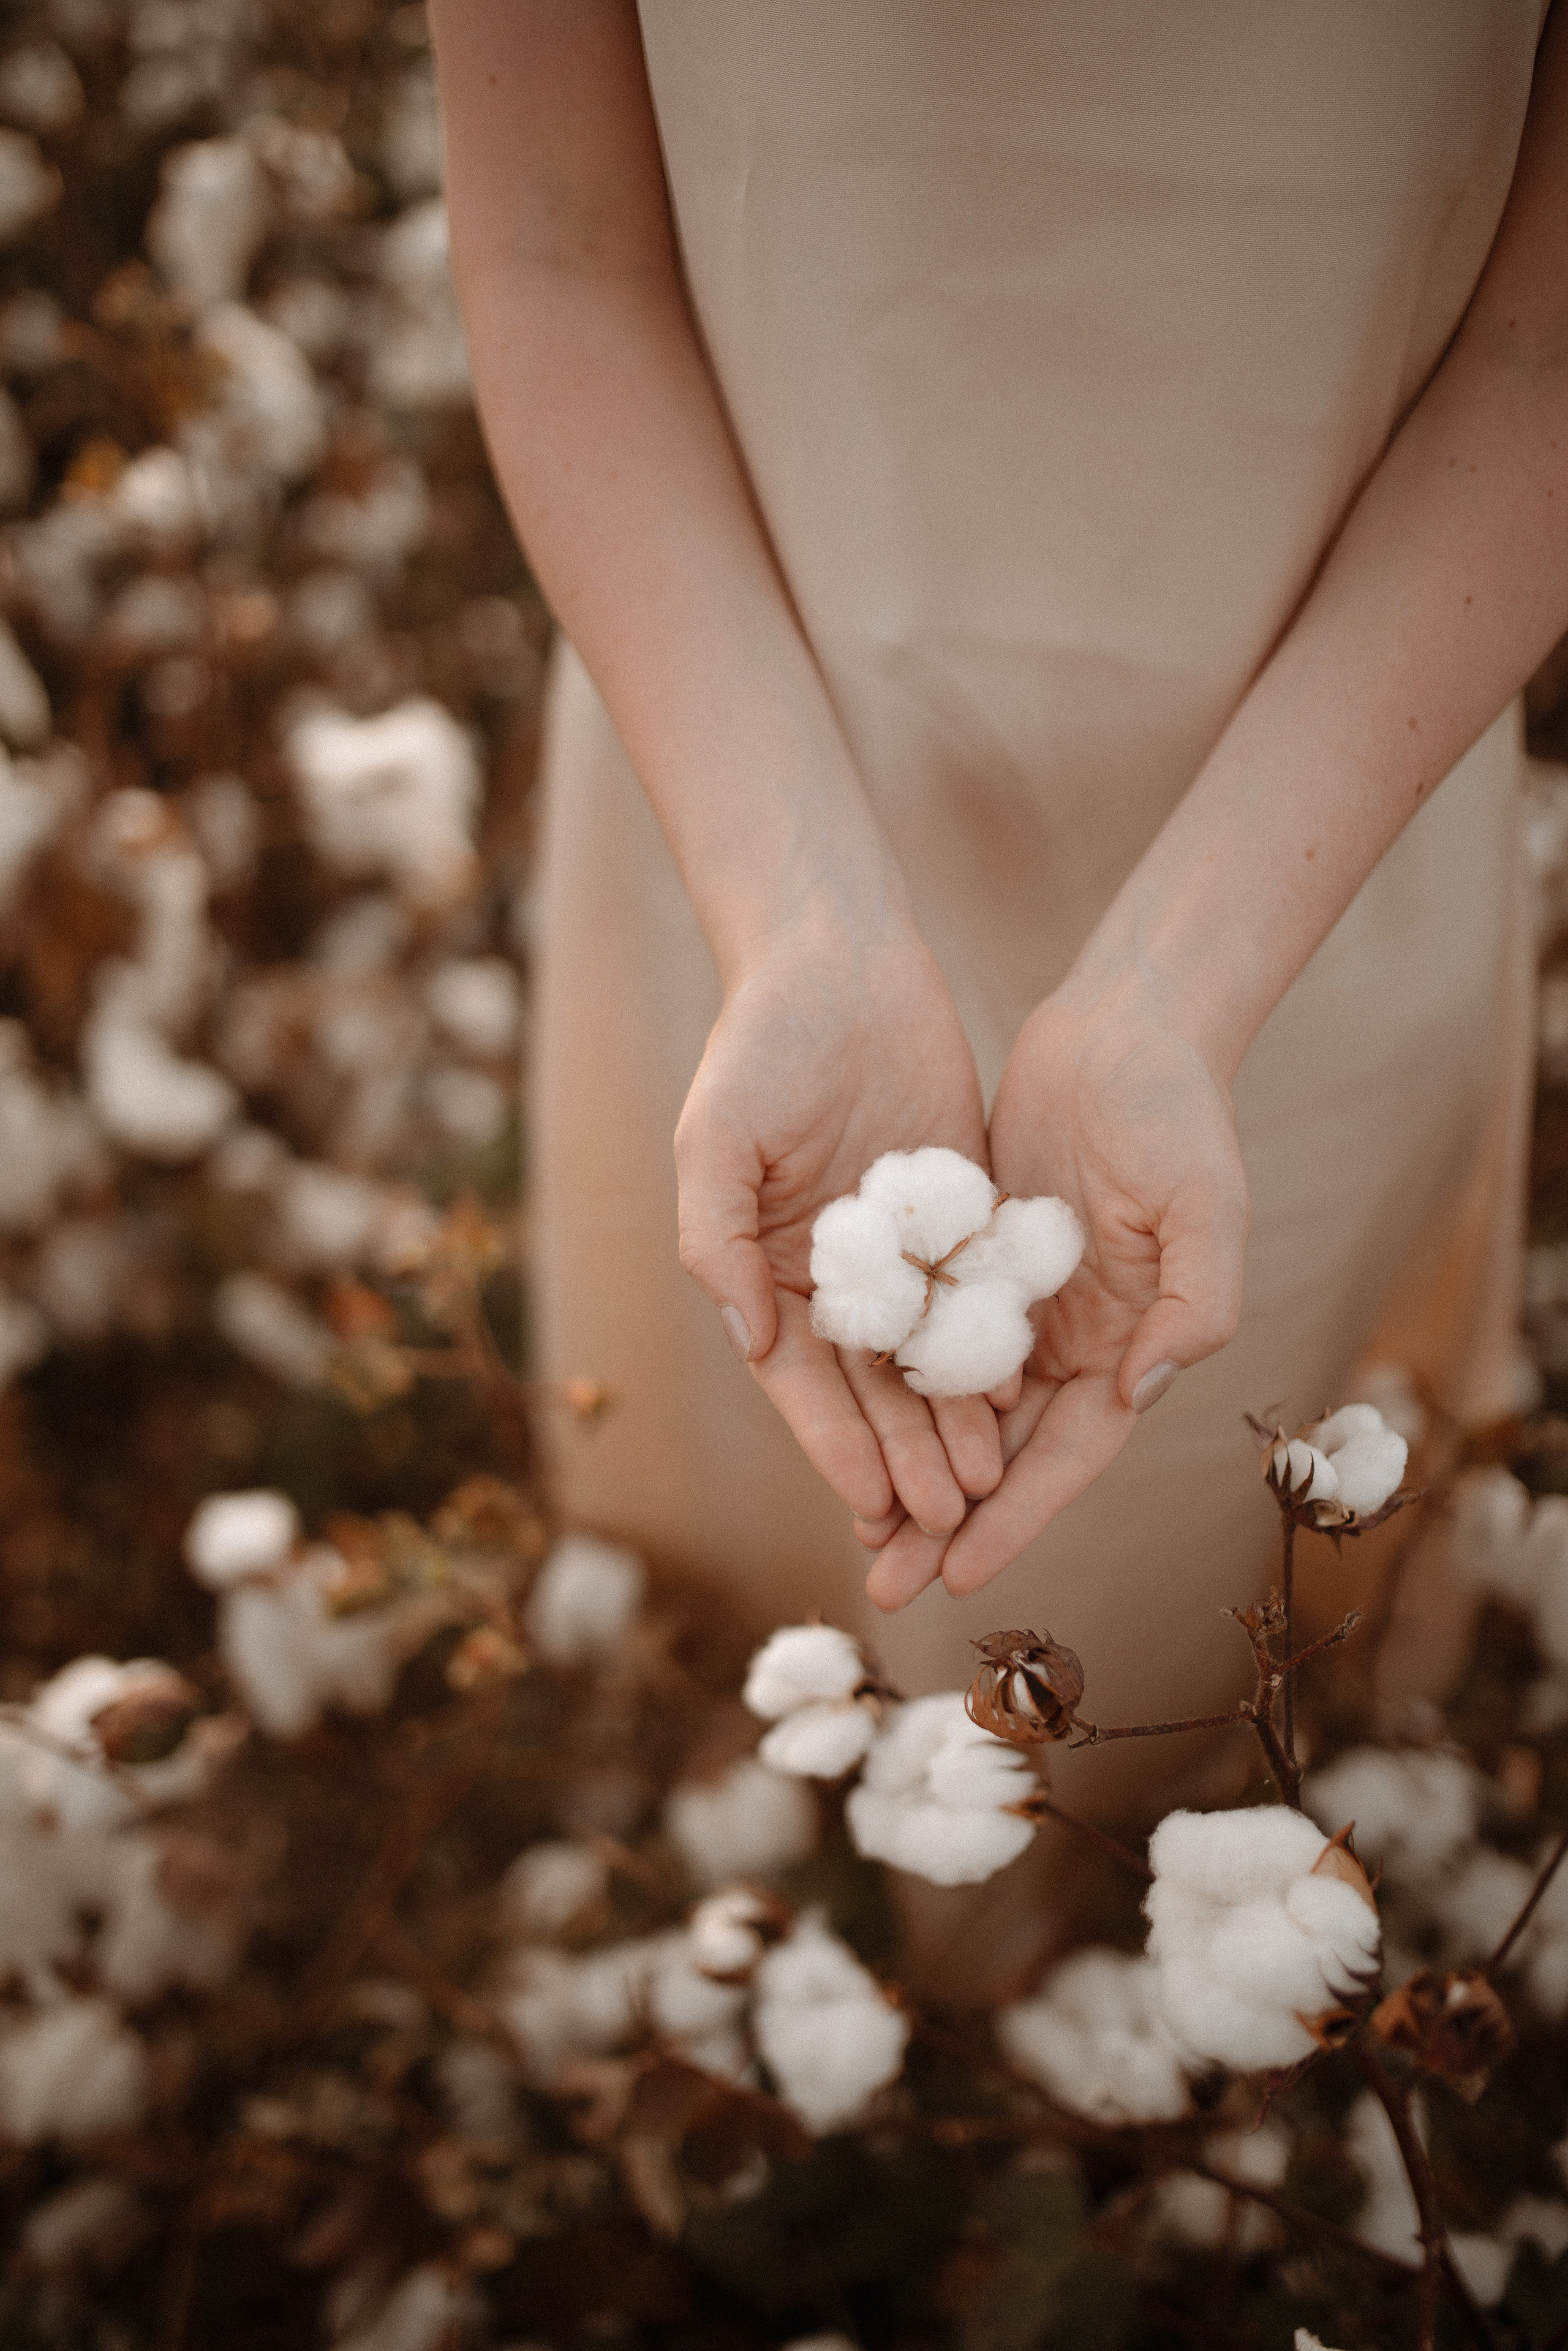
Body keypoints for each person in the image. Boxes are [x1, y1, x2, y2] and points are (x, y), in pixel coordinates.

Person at [430, 0, 1568, 1742]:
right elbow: (558, 246)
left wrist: (1177, 995)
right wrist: (797, 912)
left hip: (1328, 825)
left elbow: (1543, 354)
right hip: (739, 738)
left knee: (1215, 1587)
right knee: (745, 1509)